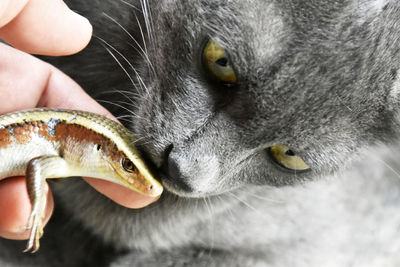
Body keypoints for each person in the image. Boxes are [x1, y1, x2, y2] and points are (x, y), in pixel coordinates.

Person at [0, 0, 157, 242]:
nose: (148, 186)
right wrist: (37, 198)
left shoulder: (61, 157)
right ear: (98, 147)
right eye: (127, 166)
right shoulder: (56, 152)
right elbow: (37, 167)